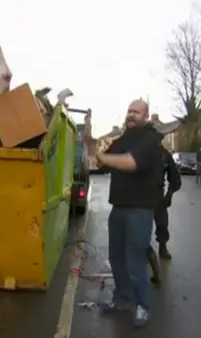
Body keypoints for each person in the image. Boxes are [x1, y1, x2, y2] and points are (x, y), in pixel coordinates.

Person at [84, 99, 162, 328]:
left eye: (136, 112)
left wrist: (104, 156)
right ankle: (122, 299)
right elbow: (101, 161)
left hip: (140, 210)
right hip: (119, 208)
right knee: (117, 258)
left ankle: (142, 305)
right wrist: (90, 142)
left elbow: (130, 163)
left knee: (135, 262)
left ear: (145, 116)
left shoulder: (149, 141)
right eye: (129, 111)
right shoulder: (123, 140)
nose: (131, 115)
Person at [151, 136, 181, 260]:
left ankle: (162, 246)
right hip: (140, 193)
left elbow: (174, 177)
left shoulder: (165, 155)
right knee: (139, 224)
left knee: (162, 223)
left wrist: (169, 194)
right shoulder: (141, 152)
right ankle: (142, 250)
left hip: (158, 193)